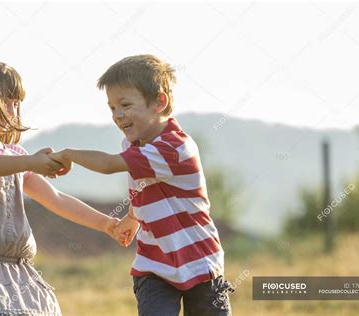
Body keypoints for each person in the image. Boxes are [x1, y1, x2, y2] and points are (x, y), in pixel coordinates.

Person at [0, 58, 120, 315]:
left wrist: (106, 224)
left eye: (17, 103)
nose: (13, 109)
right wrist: (31, 161)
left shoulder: (14, 155)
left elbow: (56, 199)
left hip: (20, 275)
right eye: (5, 100)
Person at [50, 54, 234, 315]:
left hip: (200, 262)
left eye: (125, 104)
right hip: (154, 265)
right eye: (112, 107)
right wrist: (133, 218)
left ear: (159, 101)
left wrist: (69, 154)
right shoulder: (133, 145)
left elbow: (107, 165)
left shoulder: (175, 147)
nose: (117, 115)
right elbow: (145, 187)